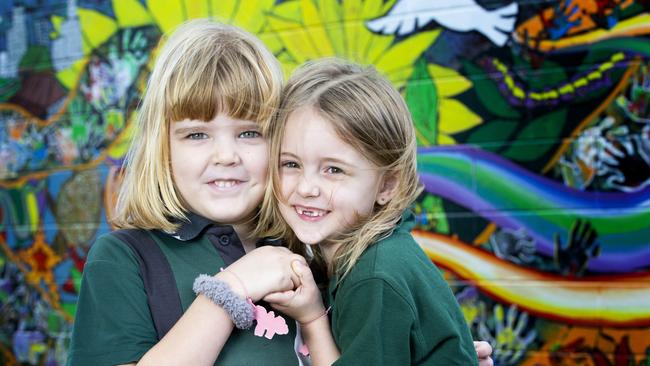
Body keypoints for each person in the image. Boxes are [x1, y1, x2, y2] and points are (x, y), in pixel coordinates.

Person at [67, 19, 308, 365]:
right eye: (197, 135)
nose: (226, 156)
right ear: (163, 148)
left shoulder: (305, 242)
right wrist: (230, 290)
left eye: (249, 133)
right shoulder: (124, 259)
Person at [259, 58, 482, 365]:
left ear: (386, 186)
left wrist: (312, 320)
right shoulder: (372, 253)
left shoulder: (373, 278)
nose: (307, 188)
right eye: (291, 164)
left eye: (333, 169)